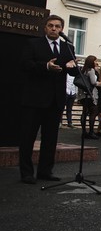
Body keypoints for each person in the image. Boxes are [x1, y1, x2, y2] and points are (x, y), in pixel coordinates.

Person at [19, 15, 78, 184]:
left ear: (62, 29)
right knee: (28, 137)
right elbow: (25, 65)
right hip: (34, 99)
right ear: (45, 28)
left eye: (57, 26)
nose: (54, 29)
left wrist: (73, 67)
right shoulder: (33, 44)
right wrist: (46, 66)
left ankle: (45, 171)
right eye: (50, 25)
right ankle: (26, 173)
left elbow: (73, 71)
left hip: (55, 100)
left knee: (50, 139)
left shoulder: (68, 47)